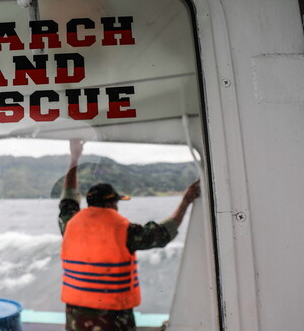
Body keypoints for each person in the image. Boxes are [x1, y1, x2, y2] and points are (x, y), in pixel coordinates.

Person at [58, 139, 201, 331]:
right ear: (111, 204)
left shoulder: (69, 224)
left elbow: (68, 195)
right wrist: (186, 201)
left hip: (76, 317)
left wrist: (74, 157)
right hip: (113, 318)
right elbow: (163, 233)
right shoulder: (123, 231)